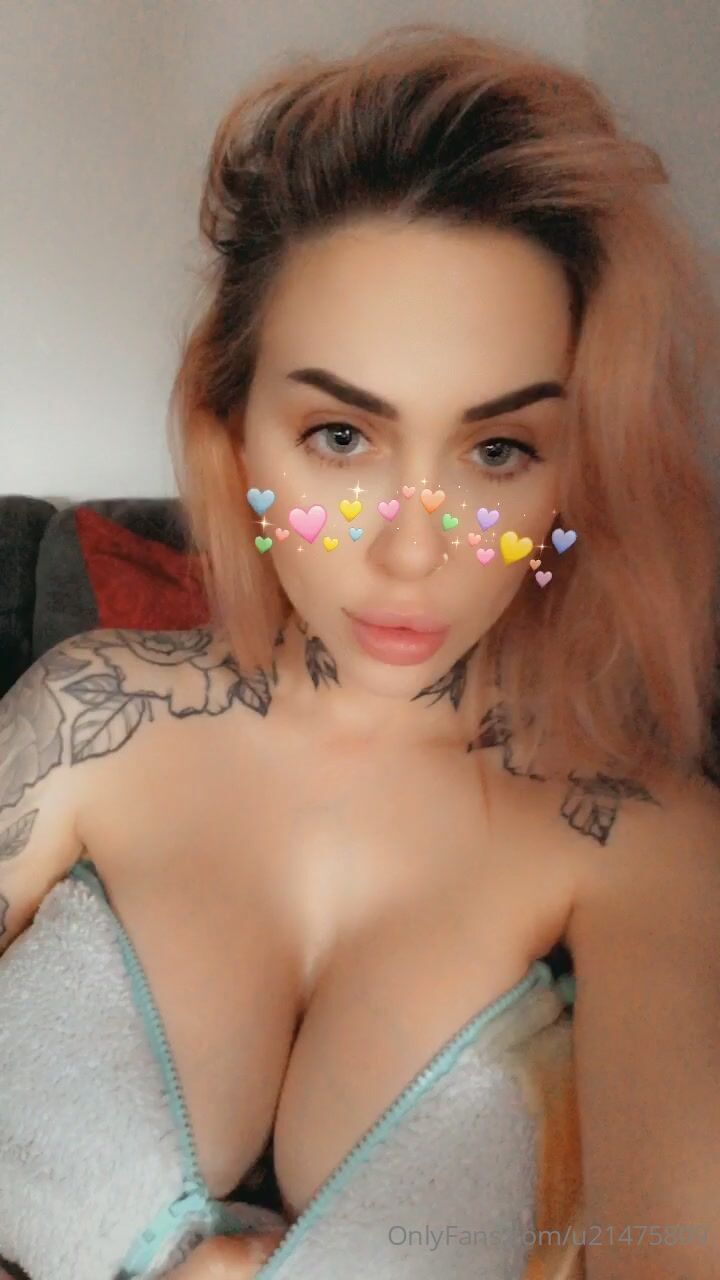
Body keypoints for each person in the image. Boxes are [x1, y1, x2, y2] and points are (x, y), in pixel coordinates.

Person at [1, 20, 719, 1280]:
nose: (411, 551)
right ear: (234, 430)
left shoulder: (642, 841)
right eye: (342, 437)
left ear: (573, 474)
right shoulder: (86, 717)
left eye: (497, 450)